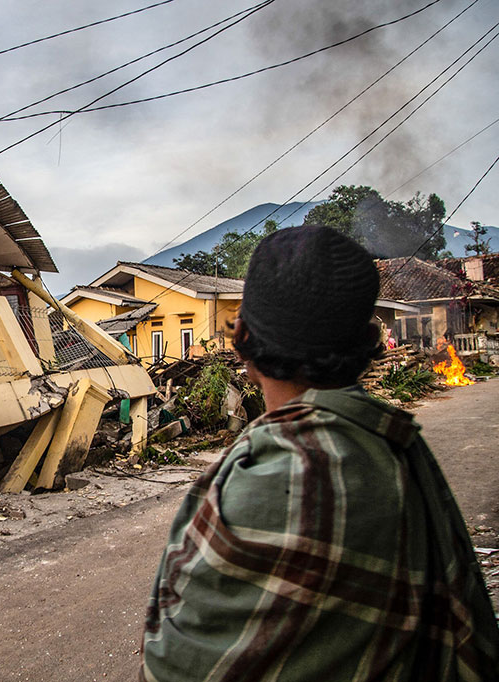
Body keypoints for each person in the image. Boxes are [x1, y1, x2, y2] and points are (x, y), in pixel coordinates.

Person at [140, 225, 498, 682]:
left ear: (244, 339)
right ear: (370, 339)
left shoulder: (281, 476)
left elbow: (178, 665)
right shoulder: (394, 445)